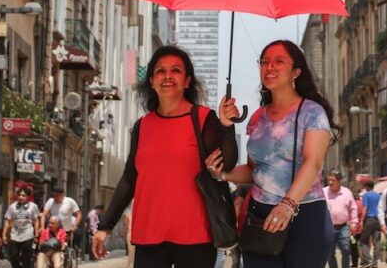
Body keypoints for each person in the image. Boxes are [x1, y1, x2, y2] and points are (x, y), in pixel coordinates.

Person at [92, 45, 238, 268]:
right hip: (149, 235)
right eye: (160, 71)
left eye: (176, 70)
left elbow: (227, 162)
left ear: (187, 81)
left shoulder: (203, 118)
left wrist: (226, 126)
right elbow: (130, 179)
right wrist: (105, 226)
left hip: (196, 236)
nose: (167, 76)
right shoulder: (142, 126)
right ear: (151, 81)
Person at [205, 39, 337, 268]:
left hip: (304, 214)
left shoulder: (312, 112)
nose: (270, 67)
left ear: (296, 72)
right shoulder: (258, 117)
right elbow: (254, 171)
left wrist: (287, 205)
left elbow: (313, 163)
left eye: (279, 61)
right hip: (260, 217)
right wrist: (222, 175)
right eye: (264, 62)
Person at [323, 170, 359, 268]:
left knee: (346, 250)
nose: (330, 182)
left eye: (333, 180)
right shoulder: (323, 192)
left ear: (339, 181)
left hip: (343, 227)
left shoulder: (346, 192)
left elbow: (353, 208)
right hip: (329, 227)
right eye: (329, 180)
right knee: (330, 253)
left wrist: (354, 223)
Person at [3, 187, 41, 268]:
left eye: (23, 195)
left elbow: (36, 221)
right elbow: (8, 221)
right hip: (15, 235)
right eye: (19, 195)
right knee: (13, 257)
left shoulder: (33, 206)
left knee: (26, 258)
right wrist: (4, 234)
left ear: (28, 197)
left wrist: (36, 234)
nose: (21, 197)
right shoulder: (12, 206)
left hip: (28, 234)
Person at [359, 182, 381, 268]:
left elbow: (365, 208)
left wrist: (361, 220)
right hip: (378, 220)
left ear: (367, 187)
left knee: (363, 241)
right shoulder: (378, 195)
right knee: (377, 242)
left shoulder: (366, 195)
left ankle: (367, 260)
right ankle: (375, 263)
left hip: (369, 219)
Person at [350, 192, 364, 267]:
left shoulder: (353, 204)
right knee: (363, 245)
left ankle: (355, 263)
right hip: (362, 228)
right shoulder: (362, 203)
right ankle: (363, 261)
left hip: (354, 229)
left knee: (354, 247)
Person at [121, 202, 134, 268]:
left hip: (130, 234)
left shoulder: (127, 211)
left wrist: (123, 232)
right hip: (140, 235)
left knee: (131, 254)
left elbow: (125, 224)